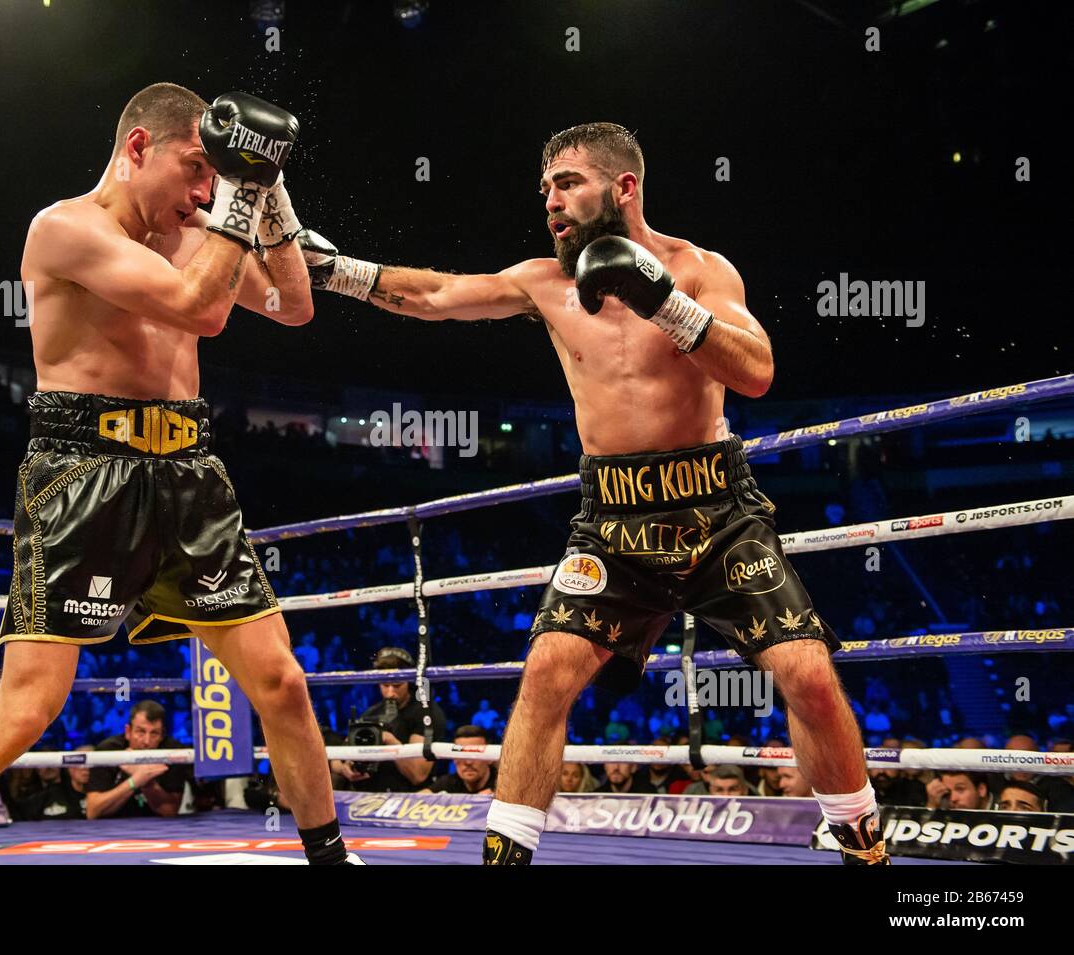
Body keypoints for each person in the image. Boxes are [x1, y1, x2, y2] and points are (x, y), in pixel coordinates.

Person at [306, 122, 885, 865]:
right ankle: (504, 857)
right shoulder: (544, 283)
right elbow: (438, 294)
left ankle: (863, 846)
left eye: (567, 181)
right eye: (545, 187)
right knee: (547, 671)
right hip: (611, 516)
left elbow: (759, 369)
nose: (550, 199)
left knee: (805, 669)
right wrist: (337, 270)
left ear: (624, 187)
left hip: (714, 505)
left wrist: (664, 302)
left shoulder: (700, 270)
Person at [0, 83, 355, 865]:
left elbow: (296, 302)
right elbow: (199, 309)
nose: (206, 189)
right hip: (83, 470)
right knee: (26, 707)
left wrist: (270, 189)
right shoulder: (65, 229)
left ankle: (332, 859)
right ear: (139, 147)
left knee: (281, 683)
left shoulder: (203, 228)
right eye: (197, 168)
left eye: (219, 175)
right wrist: (240, 196)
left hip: (189, 471)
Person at [330, 647, 447, 792]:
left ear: (409, 682)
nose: (390, 693)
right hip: (369, 797)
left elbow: (418, 775)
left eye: (397, 685)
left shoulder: (426, 713)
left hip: (409, 801)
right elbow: (336, 758)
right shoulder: (371, 713)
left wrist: (389, 740)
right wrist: (345, 768)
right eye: (385, 685)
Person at [423, 725, 497, 795]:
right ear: (454, 759)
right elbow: (418, 798)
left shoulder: (502, 785)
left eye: (475, 755)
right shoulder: (448, 783)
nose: (468, 762)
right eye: (462, 755)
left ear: (489, 759)